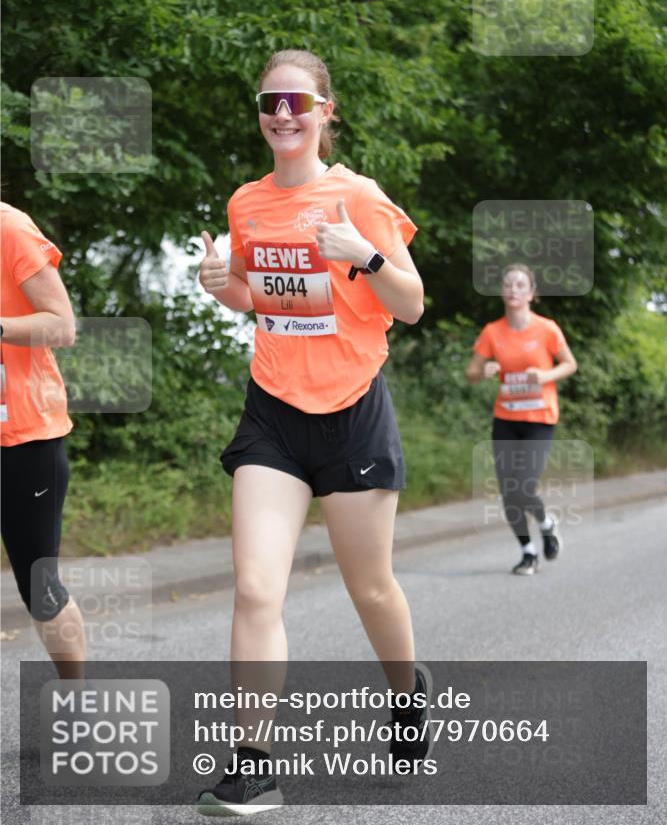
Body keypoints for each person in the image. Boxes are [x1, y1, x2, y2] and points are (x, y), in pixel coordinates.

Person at [196, 49, 431, 815]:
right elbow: (256, 297)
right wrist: (219, 283)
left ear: (325, 112)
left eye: (299, 101)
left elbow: (411, 304)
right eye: (271, 101)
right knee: (256, 586)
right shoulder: (247, 203)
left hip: (352, 411)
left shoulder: (356, 196)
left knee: (369, 588)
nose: (284, 114)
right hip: (272, 411)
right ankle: (252, 761)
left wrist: (361, 256)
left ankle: (405, 693)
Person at [0, 201, 85, 677]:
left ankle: (77, 700)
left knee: (40, 587)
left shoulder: (10, 230)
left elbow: (61, 325)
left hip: (24, 440)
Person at [465, 263, 577, 575]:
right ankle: (528, 552)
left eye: (520, 285)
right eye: (508, 285)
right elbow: (470, 373)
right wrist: (482, 371)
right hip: (506, 419)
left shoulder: (547, 329)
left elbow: (570, 364)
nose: (513, 289)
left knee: (524, 487)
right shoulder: (492, 332)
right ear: (502, 292)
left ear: (531, 293)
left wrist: (544, 375)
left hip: (540, 418)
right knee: (508, 490)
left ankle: (546, 522)